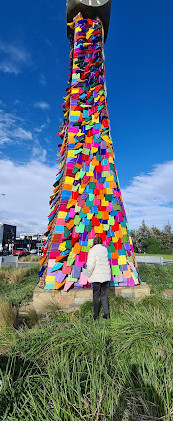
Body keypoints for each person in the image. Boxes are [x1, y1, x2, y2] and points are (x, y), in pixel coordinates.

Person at [87, 236, 111, 320]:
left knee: (96, 296)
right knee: (103, 294)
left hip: (96, 276)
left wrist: (88, 274)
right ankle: (107, 314)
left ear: (94, 242)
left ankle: (95, 316)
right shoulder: (104, 250)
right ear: (101, 242)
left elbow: (90, 265)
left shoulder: (92, 251)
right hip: (105, 276)